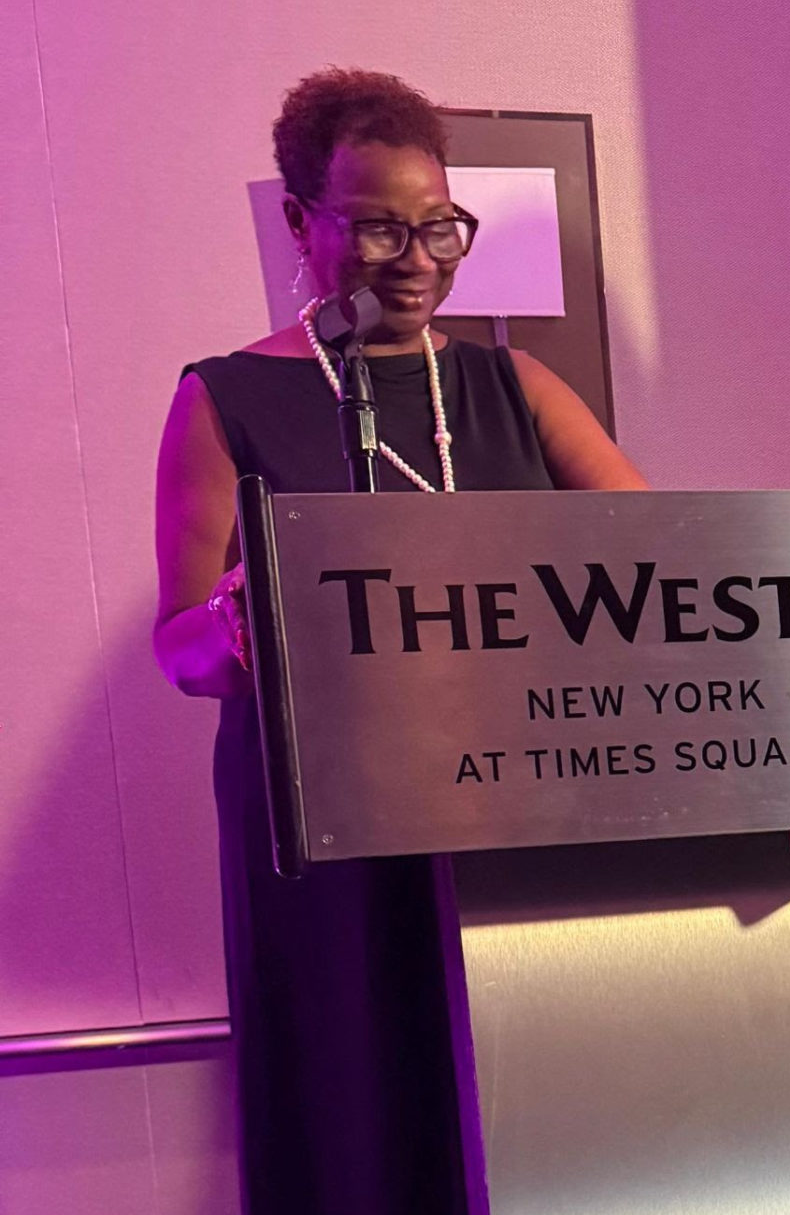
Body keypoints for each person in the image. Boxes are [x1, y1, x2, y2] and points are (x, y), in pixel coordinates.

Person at [151, 68, 644, 1212]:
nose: (416, 259)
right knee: (361, 1105)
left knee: (518, 1104)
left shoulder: (515, 385)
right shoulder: (222, 399)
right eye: (378, 227)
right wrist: (236, 631)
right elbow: (178, 651)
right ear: (300, 222)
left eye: (437, 227)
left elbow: (657, 566)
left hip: (511, 801)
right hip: (326, 838)